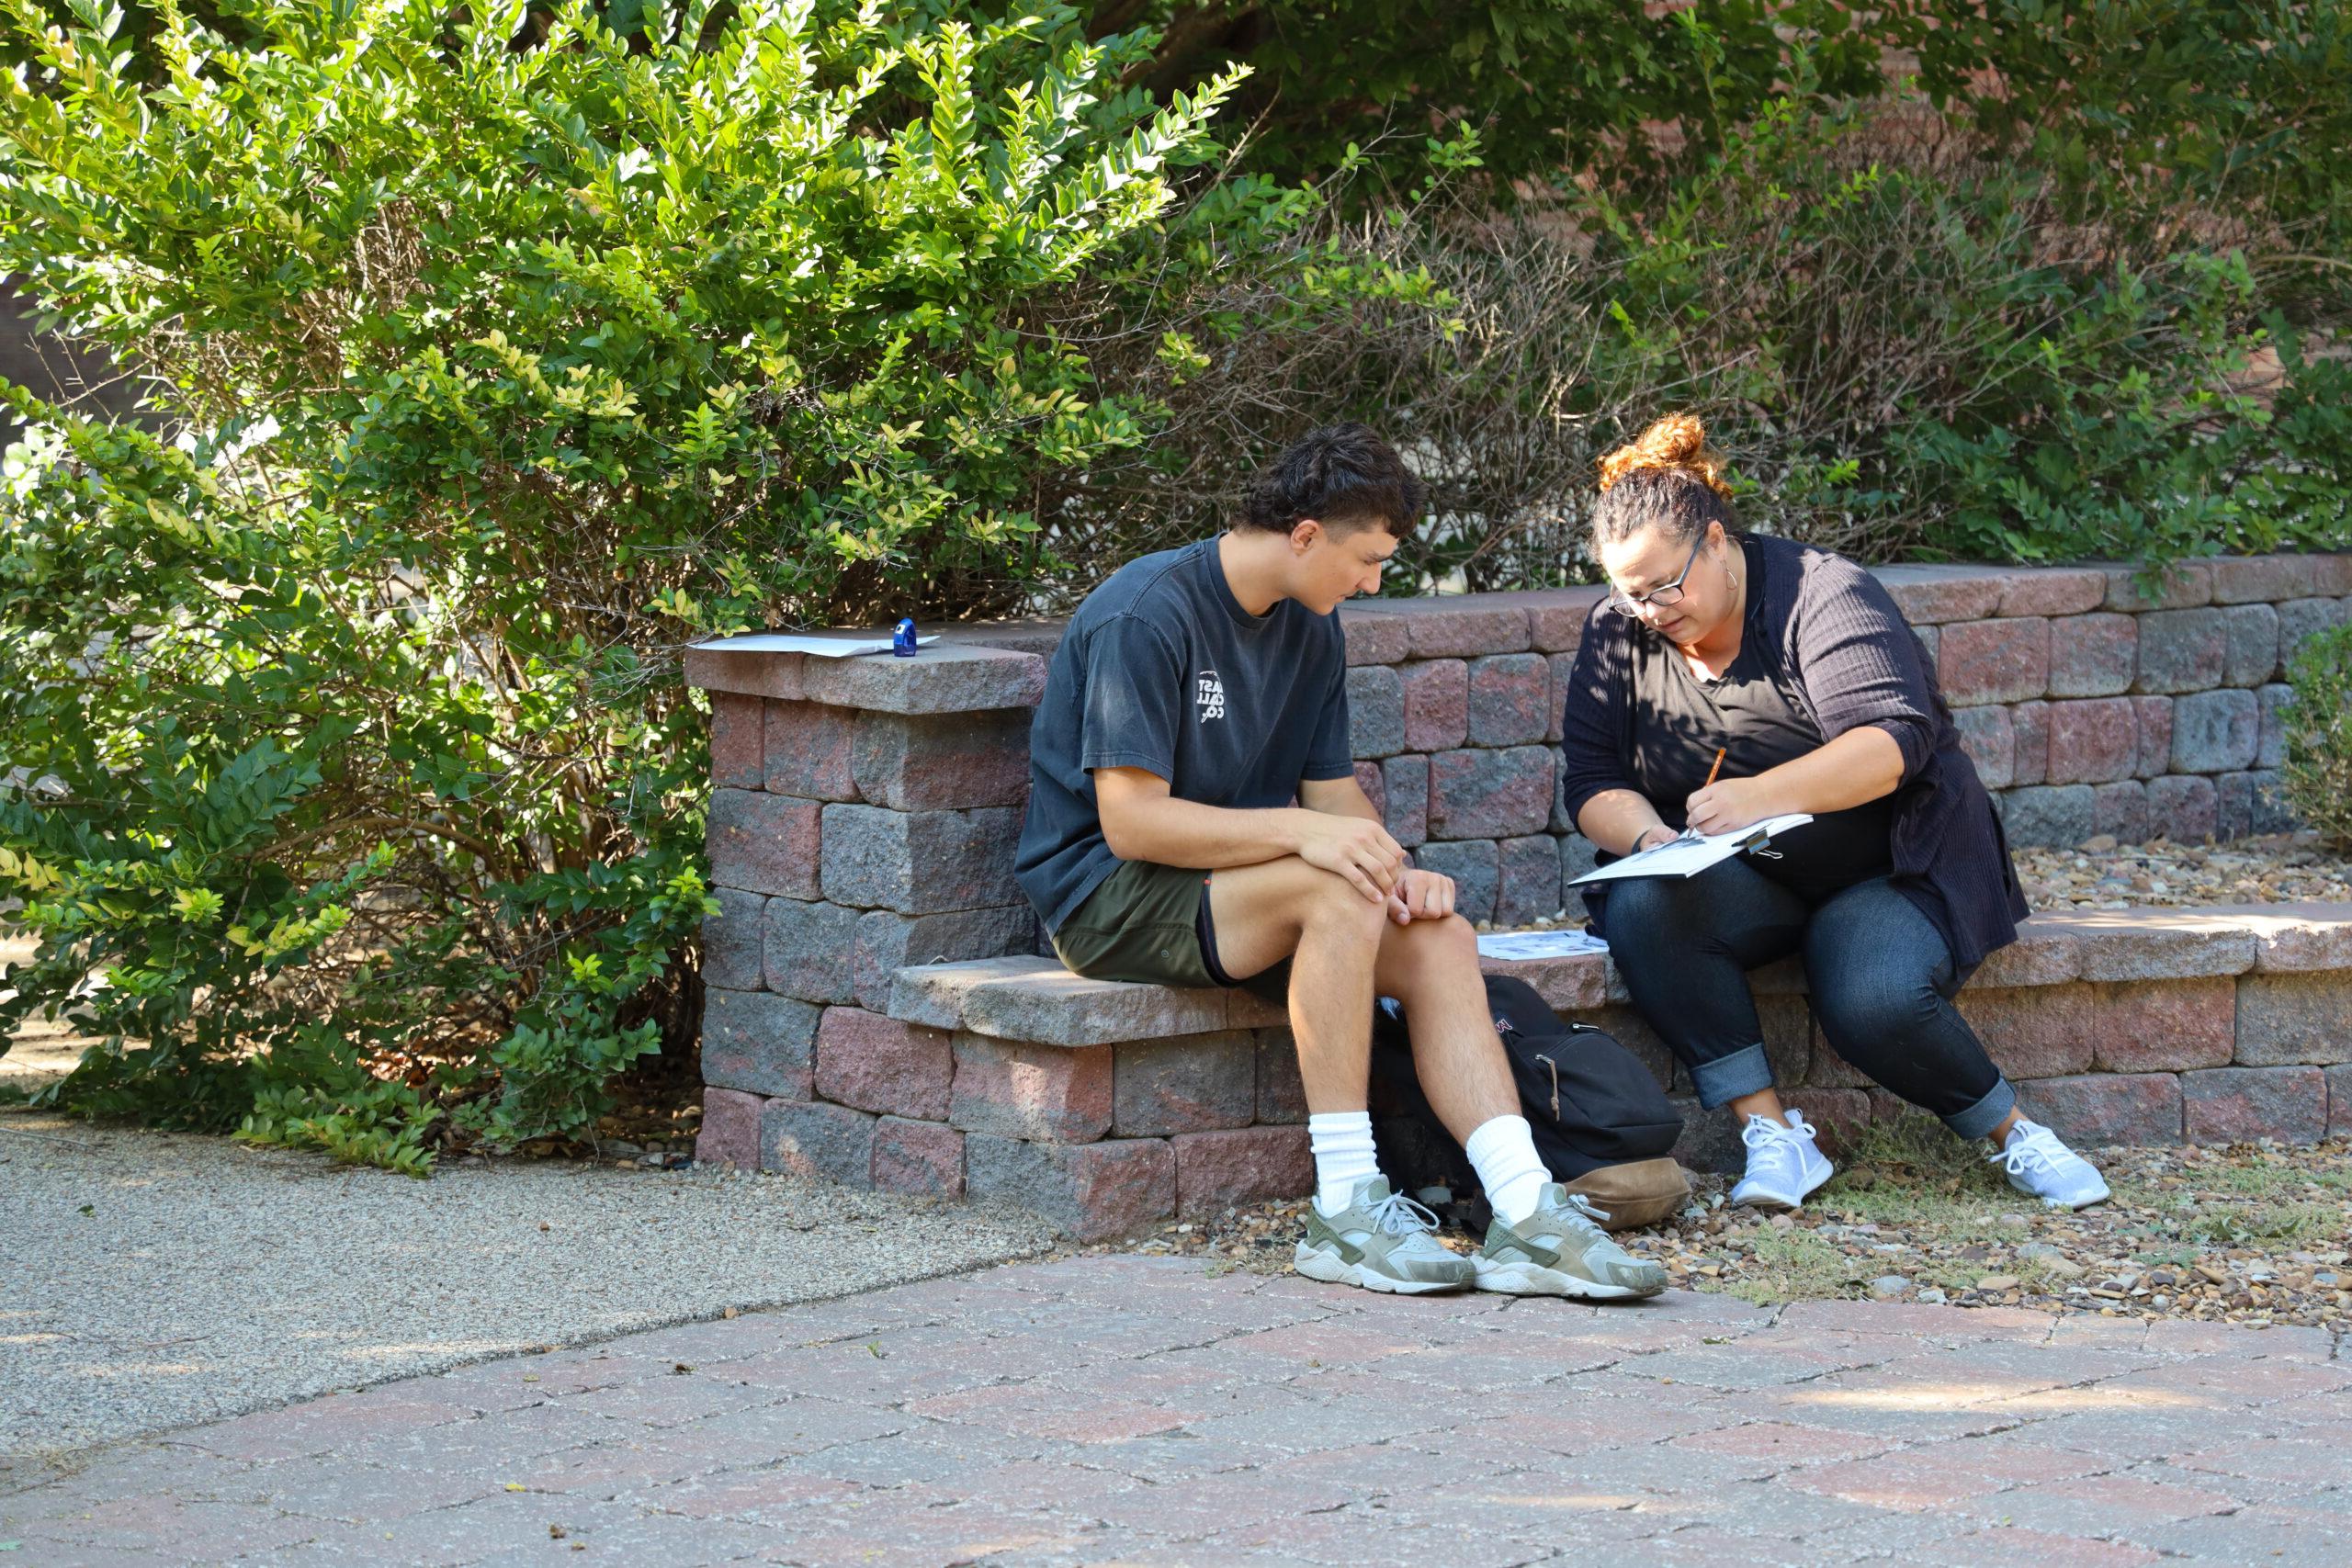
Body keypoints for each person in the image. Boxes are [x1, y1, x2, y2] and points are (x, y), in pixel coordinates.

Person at [1015, 423, 1667, 1298]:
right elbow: (1131, 824)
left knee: (1435, 933)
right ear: (1305, 533)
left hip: (1247, 892)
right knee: (1335, 893)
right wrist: (1311, 844)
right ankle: (1347, 1208)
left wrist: (1397, 872)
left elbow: (1330, 801)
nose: (1372, 581)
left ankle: (1528, 1213)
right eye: (1366, 558)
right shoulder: (1148, 612)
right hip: (1109, 897)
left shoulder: (1311, 627)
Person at [1557, 414, 2110, 1212]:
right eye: (1629, 591)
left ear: (1715, 542)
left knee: (1872, 998)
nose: (1648, 609)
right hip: (1750, 873)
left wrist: (1758, 794)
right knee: (1641, 903)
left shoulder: (1821, 592)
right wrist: (1652, 838)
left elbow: (1893, 741)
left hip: (1890, 863)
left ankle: (2016, 1132)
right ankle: (1775, 1137)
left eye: (1665, 585)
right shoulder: (1622, 629)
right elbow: (1594, 780)